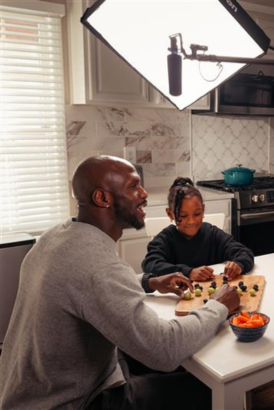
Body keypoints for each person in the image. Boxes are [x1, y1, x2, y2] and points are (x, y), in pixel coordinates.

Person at [0, 156, 240, 410]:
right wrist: (218, 305)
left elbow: (86, 289)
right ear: (102, 198)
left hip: (29, 393)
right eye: (134, 186)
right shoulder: (97, 265)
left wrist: (150, 281)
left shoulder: (56, 237)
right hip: (76, 402)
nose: (144, 194)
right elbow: (165, 350)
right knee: (209, 387)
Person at [142, 177, 254, 281]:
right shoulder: (164, 239)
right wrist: (188, 272)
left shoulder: (213, 234)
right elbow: (150, 264)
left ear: (203, 210)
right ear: (170, 214)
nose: (191, 221)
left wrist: (238, 265)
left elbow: (244, 252)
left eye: (197, 214)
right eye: (183, 216)